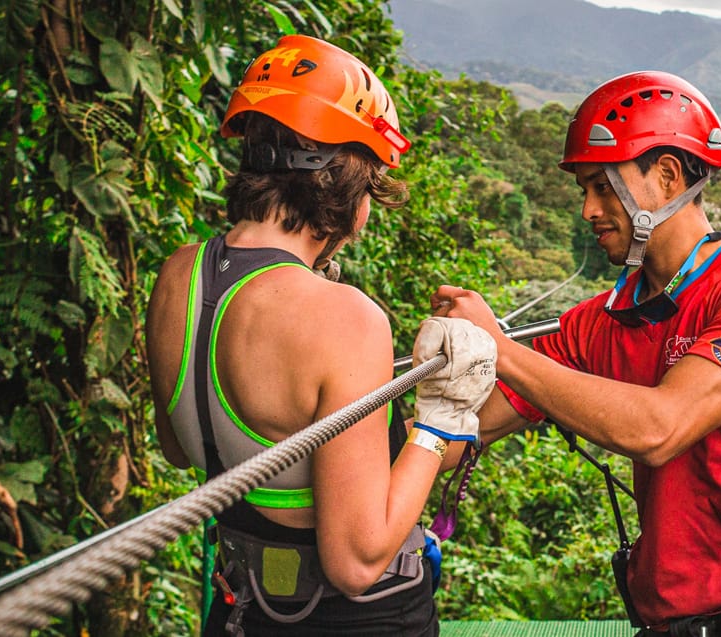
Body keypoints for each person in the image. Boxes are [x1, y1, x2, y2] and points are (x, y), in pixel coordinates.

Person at [432, 71, 721, 637]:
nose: (588, 210)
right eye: (584, 191)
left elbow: (660, 428)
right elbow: (461, 431)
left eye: (603, 186)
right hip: (668, 619)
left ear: (668, 177)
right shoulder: (603, 322)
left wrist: (498, 348)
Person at [145, 34, 495, 637]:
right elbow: (357, 560)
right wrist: (442, 420)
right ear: (352, 193)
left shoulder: (180, 274)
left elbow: (181, 448)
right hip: (355, 621)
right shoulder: (344, 316)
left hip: (238, 610)